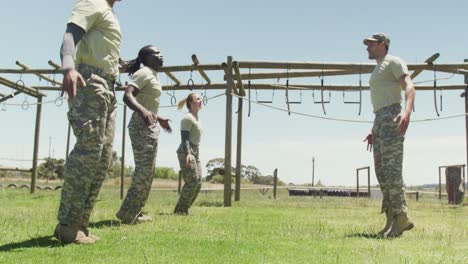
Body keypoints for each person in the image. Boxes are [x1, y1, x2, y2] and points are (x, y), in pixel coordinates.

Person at [54, 0, 122, 244]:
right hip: (90, 80)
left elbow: (103, 50)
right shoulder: (92, 2)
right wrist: (68, 67)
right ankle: (67, 226)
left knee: (103, 157)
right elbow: (70, 35)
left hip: (108, 86)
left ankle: (81, 224)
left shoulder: (110, 13)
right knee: (88, 151)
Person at [363, 33, 416, 238]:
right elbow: (381, 101)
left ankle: (402, 217)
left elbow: (410, 87)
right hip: (380, 120)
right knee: (382, 173)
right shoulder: (378, 68)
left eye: (370, 44)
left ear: (382, 45)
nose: (367, 47)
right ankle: (391, 218)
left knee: (393, 171)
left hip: (392, 117)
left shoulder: (394, 61)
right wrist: (374, 129)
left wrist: (407, 112)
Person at [116, 45, 172, 224]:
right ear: (146, 57)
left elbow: (146, 103)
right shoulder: (144, 73)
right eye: (156, 53)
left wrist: (158, 117)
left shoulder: (153, 75)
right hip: (141, 125)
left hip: (150, 124)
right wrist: (143, 112)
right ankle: (128, 212)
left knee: (148, 172)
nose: (161, 55)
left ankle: (136, 211)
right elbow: (128, 96)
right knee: (143, 171)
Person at [174, 93, 203, 215]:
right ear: (191, 103)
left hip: (195, 151)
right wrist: (188, 153)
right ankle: (180, 209)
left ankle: (184, 208)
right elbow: (184, 138)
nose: (200, 100)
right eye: (198, 99)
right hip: (187, 151)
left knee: (199, 182)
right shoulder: (188, 118)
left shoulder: (196, 117)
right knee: (192, 180)